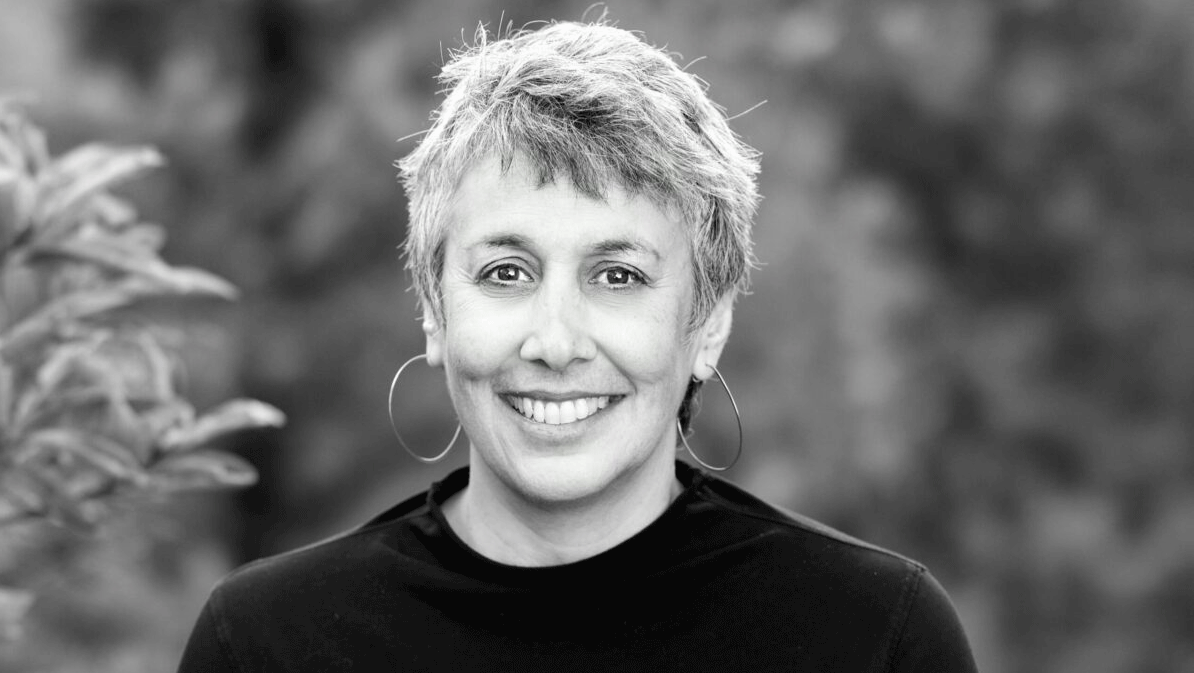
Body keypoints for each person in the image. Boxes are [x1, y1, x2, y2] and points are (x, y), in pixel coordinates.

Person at [178, 19, 978, 672]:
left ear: (709, 321)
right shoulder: (267, 645)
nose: (555, 341)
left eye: (618, 275)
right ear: (433, 306)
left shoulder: (873, 637)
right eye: (505, 270)